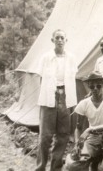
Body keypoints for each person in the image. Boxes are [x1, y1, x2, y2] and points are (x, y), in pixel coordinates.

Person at [35, 29, 78, 171]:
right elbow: (41, 79)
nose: (60, 40)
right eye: (57, 38)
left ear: (66, 40)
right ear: (52, 40)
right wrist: (47, 95)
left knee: (63, 134)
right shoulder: (46, 57)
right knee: (45, 135)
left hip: (65, 96)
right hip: (49, 96)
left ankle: (56, 167)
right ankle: (41, 167)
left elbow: (72, 79)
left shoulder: (71, 58)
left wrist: (65, 97)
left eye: (62, 38)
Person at [66, 71, 103, 171]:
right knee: (72, 165)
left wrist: (91, 129)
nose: (95, 89)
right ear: (88, 86)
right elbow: (78, 128)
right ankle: (92, 164)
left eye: (98, 86)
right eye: (92, 87)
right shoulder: (84, 103)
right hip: (93, 139)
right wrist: (78, 143)